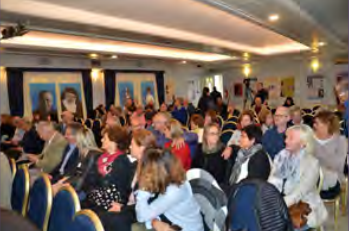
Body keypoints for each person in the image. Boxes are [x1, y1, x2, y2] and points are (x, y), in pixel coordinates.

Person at [93, 129, 157, 231]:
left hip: (139, 211)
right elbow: (127, 192)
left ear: (142, 148)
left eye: (132, 144)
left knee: (111, 218)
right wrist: (120, 204)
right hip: (130, 206)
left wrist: (123, 208)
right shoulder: (136, 165)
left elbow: (150, 203)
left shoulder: (151, 170)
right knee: (98, 211)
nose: (130, 147)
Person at [268, 125, 328, 229]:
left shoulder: (311, 163)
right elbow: (271, 182)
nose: (286, 141)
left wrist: (277, 206)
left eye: (291, 138)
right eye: (286, 137)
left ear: (303, 143)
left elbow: (299, 193)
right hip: (280, 201)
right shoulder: (281, 157)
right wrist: (266, 199)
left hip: (303, 207)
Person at [136, 148, 204, 231]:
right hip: (173, 223)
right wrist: (155, 221)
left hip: (186, 228)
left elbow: (141, 216)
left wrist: (143, 187)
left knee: (134, 227)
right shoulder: (173, 178)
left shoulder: (173, 191)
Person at [313, 110, 347, 199]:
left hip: (333, 180)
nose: (314, 125)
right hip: (312, 176)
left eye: (317, 123)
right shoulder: (310, 138)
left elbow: (338, 165)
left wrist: (317, 159)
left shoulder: (340, 141)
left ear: (327, 124)